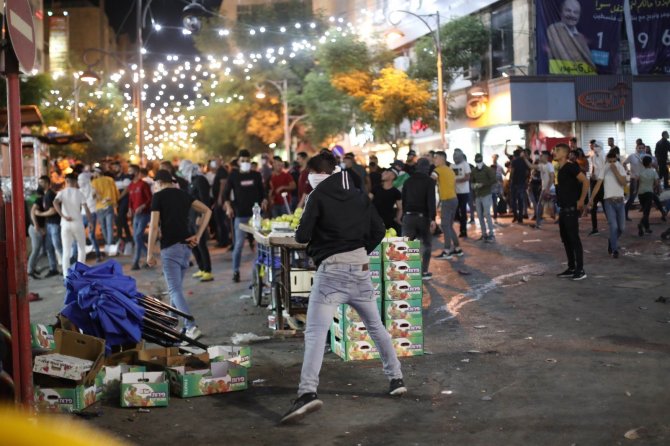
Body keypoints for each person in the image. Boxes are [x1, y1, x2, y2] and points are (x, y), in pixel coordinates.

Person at [280, 153, 405, 425]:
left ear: (315, 173)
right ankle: (396, 378)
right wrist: (360, 251)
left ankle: (307, 393)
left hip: (331, 273)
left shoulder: (317, 196)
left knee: (314, 333)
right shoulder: (359, 195)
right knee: (376, 326)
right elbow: (379, 230)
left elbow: (301, 235)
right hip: (360, 268)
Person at [146, 169, 212, 341]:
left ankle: (191, 326)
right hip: (186, 248)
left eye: (155, 183)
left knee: (174, 290)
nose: (154, 187)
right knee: (176, 289)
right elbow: (207, 211)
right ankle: (171, 321)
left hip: (170, 248)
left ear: (159, 182)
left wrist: (149, 253)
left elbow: (153, 227)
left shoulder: (158, 197)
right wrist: (198, 235)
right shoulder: (183, 194)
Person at [223, 149, 267, 283]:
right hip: (240, 215)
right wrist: (229, 207)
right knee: (239, 245)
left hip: (256, 215)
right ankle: (236, 271)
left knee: (262, 245)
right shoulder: (233, 176)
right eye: (243, 161)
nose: (246, 163)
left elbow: (262, 192)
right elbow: (226, 194)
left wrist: (264, 200)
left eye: (248, 161)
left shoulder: (256, 175)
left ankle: (262, 272)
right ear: (238, 162)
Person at [554, 143, 589, 281]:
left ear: (564, 153)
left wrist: (581, 200)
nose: (554, 152)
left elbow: (585, 182)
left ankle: (580, 270)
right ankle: (572, 267)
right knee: (566, 240)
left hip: (571, 209)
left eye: (557, 150)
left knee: (574, 239)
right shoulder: (561, 169)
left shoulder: (570, 167)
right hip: (563, 210)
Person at [401, 158, 436, 280]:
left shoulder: (408, 181)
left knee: (406, 246)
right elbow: (431, 201)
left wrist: (403, 215)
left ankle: (406, 272)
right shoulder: (430, 181)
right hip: (423, 218)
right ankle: (424, 271)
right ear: (427, 168)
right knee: (426, 244)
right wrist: (432, 219)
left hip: (408, 217)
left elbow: (404, 200)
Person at [590, 149, 627, 258]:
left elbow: (624, 183)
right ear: (606, 160)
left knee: (621, 228)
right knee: (613, 227)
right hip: (609, 202)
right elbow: (598, 184)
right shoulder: (604, 168)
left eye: (613, 161)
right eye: (609, 161)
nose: (611, 164)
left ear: (616, 159)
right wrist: (591, 197)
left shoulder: (619, 167)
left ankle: (612, 240)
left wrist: (615, 171)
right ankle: (614, 250)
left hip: (620, 201)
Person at [53, 173, 92, 278]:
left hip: (65, 224)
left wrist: (63, 216)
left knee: (66, 250)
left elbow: (55, 202)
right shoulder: (79, 193)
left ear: (66, 181)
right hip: (77, 223)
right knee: (81, 248)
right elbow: (86, 209)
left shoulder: (62, 193)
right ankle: (80, 272)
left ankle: (66, 275)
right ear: (75, 182)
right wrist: (91, 222)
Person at [546, 0, 596, 74]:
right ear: (561, 13)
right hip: (560, 79)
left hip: (581, 80)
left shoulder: (581, 37)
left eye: (576, 12)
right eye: (568, 10)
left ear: (579, 16)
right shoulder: (554, 30)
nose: (572, 15)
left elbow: (590, 63)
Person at [433, 151, 462, 259]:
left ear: (442, 158)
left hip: (447, 200)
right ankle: (458, 249)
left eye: (436, 158)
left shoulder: (437, 170)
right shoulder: (450, 170)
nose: (434, 160)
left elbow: (431, 180)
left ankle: (447, 251)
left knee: (445, 226)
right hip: (454, 199)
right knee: (449, 226)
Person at [187, 163, 214, 282]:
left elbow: (205, 200)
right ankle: (201, 268)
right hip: (191, 217)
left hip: (199, 217)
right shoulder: (191, 181)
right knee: (193, 243)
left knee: (201, 244)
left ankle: (208, 271)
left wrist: (202, 215)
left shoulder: (201, 180)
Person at [126, 164, 153, 271]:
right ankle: (149, 258)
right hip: (135, 215)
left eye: (130, 171)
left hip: (145, 214)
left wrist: (143, 206)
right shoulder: (131, 185)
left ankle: (135, 262)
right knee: (137, 238)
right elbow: (130, 199)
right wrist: (129, 209)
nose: (129, 173)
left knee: (137, 237)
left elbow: (150, 198)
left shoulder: (144, 184)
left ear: (137, 172)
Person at [36, 175, 62, 278]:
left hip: (54, 224)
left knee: (58, 247)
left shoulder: (50, 194)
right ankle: (53, 269)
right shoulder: (46, 194)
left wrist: (40, 214)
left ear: (47, 183)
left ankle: (67, 269)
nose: (40, 184)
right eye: (39, 182)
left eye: (41, 182)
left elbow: (53, 210)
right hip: (50, 224)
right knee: (49, 248)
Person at [91, 167, 119, 254]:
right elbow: (116, 192)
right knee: (109, 226)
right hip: (109, 204)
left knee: (103, 226)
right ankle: (110, 244)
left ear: (97, 173)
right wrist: (115, 201)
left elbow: (93, 196)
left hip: (99, 206)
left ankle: (108, 243)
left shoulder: (93, 182)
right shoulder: (110, 180)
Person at [471, 154, 497, 242]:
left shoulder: (487, 169)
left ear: (482, 160)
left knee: (487, 214)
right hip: (478, 195)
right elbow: (471, 181)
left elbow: (494, 180)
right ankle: (484, 234)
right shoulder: (474, 171)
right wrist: (473, 186)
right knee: (480, 215)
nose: (478, 163)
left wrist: (483, 184)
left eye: (479, 161)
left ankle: (491, 234)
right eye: (477, 161)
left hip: (486, 194)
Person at [370, 169, 402, 235]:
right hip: (374, 221)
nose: (383, 174)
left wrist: (398, 219)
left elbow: (400, 208)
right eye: (383, 172)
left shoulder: (396, 192)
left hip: (388, 223)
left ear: (393, 176)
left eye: (386, 173)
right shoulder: (376, 188)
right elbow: (367, 202)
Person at [586, 140, 606, 236]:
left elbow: (605, 169)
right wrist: (592, 175)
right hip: (595, 182)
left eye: (596, 145)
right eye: (594, 145)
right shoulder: (594, 154)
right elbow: (594, 166)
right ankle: (595, 228)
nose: (594, 147)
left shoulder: (603, 155)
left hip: (601, 183)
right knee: (593, 206)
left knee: (605, 206)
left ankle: (613, 224)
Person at [27, 187, 47, 280]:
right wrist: (36, 226)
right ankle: (30, 271)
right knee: (36, 250)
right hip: (34, 229)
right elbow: (32, 212)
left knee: (40, 250)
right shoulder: (39, 200)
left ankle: (32, 268)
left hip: (35, 228)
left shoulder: (38, 200)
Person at [212, 160, 232, 248]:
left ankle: (224, 240)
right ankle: (222, 239)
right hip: (218, 200)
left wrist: (220, 198)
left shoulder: (222, 171)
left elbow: (223, 184)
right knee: (219, 220)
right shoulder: (219, 171)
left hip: (221, 200)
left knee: (221, 220)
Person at [637, 156, 659, 237]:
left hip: (641, 193)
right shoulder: (653, 172)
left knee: (645, 211)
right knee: (646, 212)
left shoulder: (641, 171)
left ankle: (647, 228)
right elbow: (657, 183)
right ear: (650, 163)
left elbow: (637, 181)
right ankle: (641, 224)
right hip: (649, 193)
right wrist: (652, 187)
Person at [623, 143, 645, 221]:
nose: (641, 149)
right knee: (632, 198)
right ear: (636, 148)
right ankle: (625, 214)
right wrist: (628, 171)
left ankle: (645, 216)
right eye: (639, 148)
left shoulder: (646, 156)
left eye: (643, 148)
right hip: (634, 179)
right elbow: (624, 163)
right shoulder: (632, 156)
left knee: (646, 196)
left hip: (643, 179)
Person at [452, 149, 471, 237]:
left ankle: (463, 230)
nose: (455, 157)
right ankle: (462, 224)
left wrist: (456, 181)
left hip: (464, 192)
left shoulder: (465, 164)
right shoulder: (451, 166)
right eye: (454, 155)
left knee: (463, 211)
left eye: (456, 155)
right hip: (455, 192)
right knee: (456, 212)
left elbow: (467, 177)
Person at [509, 149, 529, 224]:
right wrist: (524, 178)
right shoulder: (524, 161)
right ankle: (520, 218)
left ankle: (515, 217)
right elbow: (527, 172)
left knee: (513, 201)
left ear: (514, 155)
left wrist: (511, 180)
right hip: (522, 183)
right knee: (521, 201)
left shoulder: (514, 161)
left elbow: (512, 171)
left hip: (514, 183)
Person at [491, 154, 505, 221]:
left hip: (498, 187)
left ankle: (497, 213)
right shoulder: (489, 167)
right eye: (494, 157)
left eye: (496, 158)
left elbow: (504, 175)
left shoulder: (500, 167)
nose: (495, 159)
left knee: (496, 201)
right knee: (493, 202)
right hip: (492, 188)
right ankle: (495, 214)